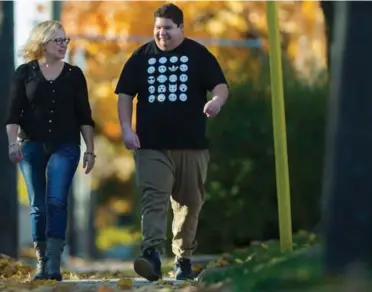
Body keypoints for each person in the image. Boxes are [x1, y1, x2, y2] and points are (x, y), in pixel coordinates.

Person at [115, 3, 229, 281]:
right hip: (151, 144)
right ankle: (151, 254)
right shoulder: (141, 56)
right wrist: (127, 130)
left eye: (167, 28)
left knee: (189, 204)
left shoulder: (198, 54)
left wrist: (216, 101)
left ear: (181, 28)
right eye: (157, 29)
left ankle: (183, 258)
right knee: (153, 198)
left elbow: (220, 86)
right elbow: (124, 95)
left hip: (191, 145)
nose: (161, 34)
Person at [4, 20, 96, 281]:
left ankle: (54, 263)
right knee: (37, 206)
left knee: (56, 200)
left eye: (65, 40)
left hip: (66, 145)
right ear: (42, 42)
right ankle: (42, 262)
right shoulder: (24, 73)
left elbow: (85, 117)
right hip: (30, 146)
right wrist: (12, 143)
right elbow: (13, 114)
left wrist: (90, 150)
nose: (63, 44)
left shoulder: (74, 75)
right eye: (58, 40)